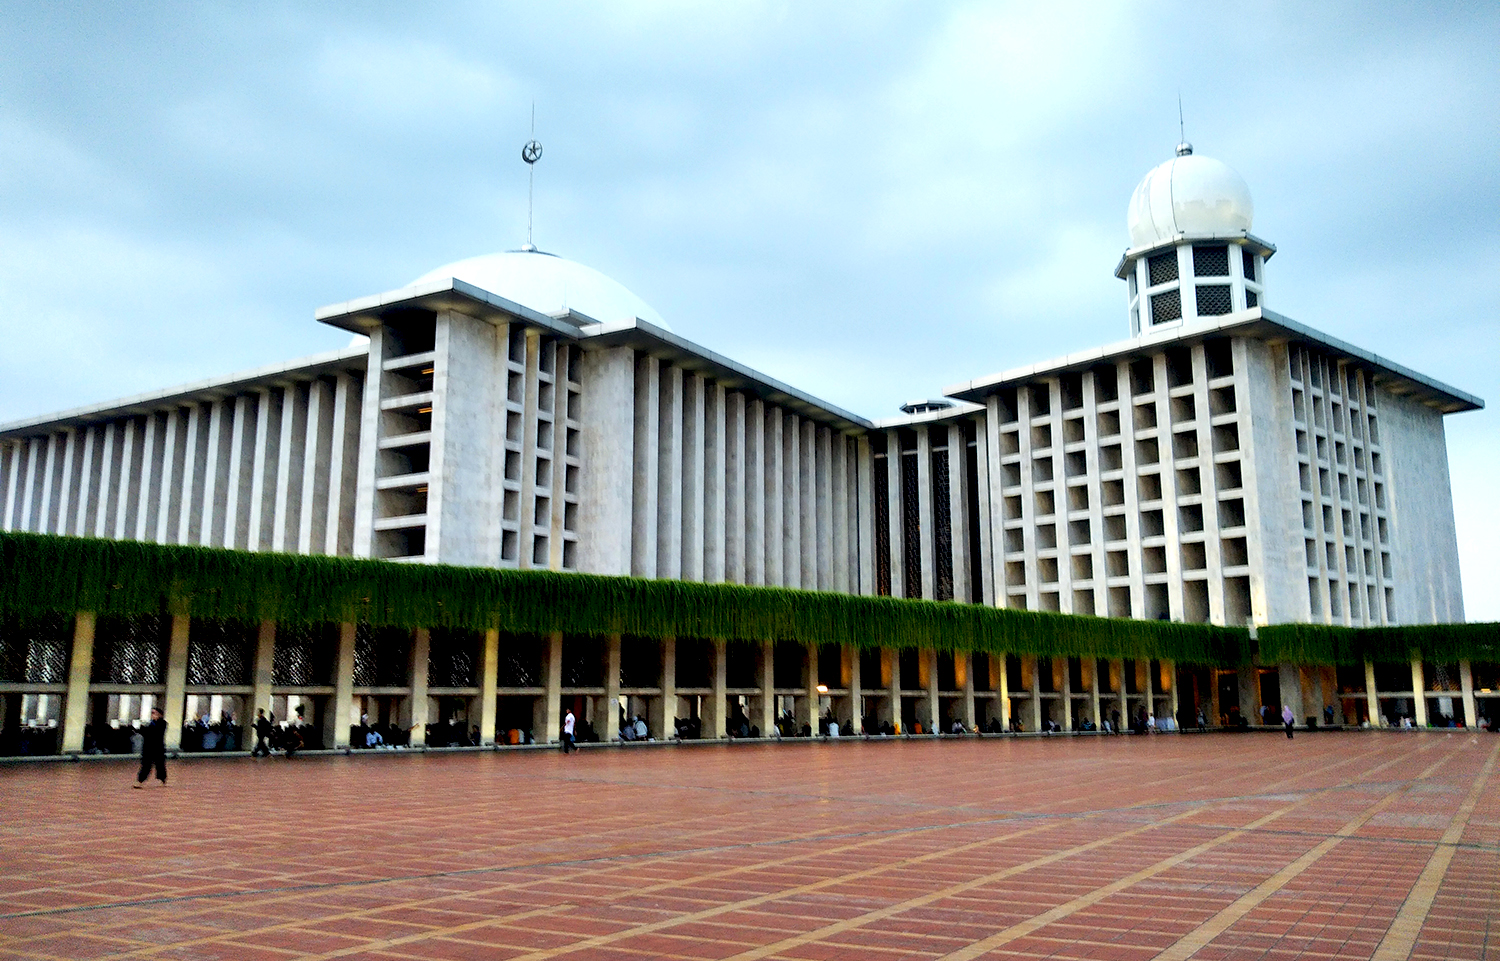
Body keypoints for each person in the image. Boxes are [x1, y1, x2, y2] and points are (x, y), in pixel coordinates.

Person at [134, 707, 168, 788]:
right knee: (145, 765)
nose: (152, 715)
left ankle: (162, 780)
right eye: (152, 713)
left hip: (158, 748)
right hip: (148, 748)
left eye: (154, 713)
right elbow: (146, 733)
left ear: (159, 714)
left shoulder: (162, 723)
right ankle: (140, 781)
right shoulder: (150, 724)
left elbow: (155, 733)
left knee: (160, 765)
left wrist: (144, 730)